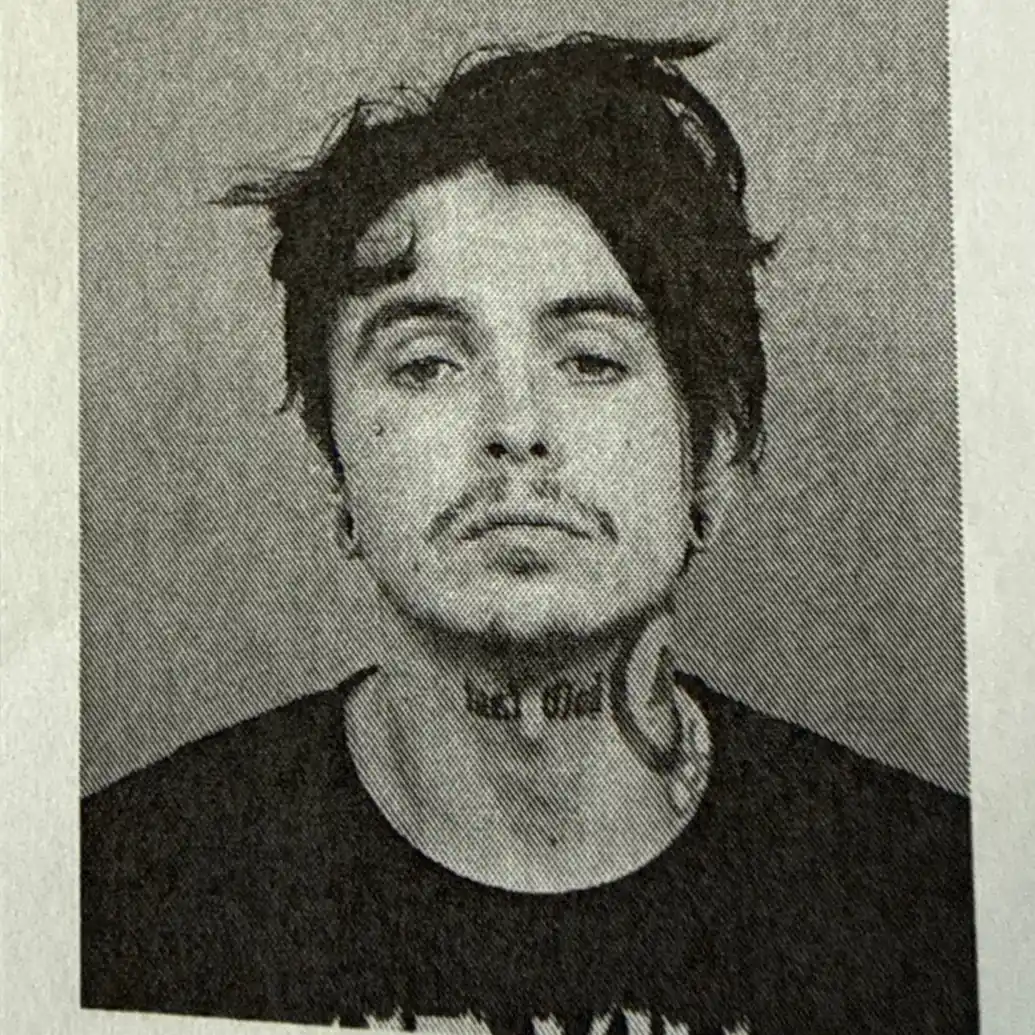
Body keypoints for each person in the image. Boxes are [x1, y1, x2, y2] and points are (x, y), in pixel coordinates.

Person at [81, 35, 976, 1034]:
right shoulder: (119, 900)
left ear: (713, 459)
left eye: (591, 359)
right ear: (336, 471)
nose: (515, 427)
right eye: (426, 364)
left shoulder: (939, 905)